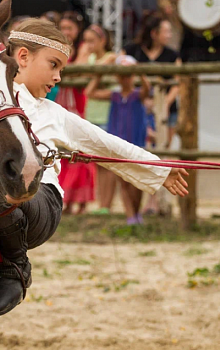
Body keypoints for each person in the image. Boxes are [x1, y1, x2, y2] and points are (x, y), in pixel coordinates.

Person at [0, 18, 189, 349]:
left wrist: (158, 169)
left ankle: (17, 265)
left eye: (60, 67)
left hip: (40, 205)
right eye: (53, 65)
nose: (58, 77)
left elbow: (105, 144)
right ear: (22, 57)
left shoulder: (54, 114)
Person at [86, 55, 152, 224]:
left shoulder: (137, 95)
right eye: (122, 75)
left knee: (137, 181)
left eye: (128, 75)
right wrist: (100, 73)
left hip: (136, 143)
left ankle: (136, 212)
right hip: (118, 144)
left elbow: (147, 88)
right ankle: (130, 215)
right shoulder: (114, 96)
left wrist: (139, 72)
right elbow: (90, 92)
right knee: (123, 181)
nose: (125, 79)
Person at [54, 14, 96, 215]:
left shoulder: (82, 48)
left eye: (69, 28)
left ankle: (79, 201)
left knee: (78, 149)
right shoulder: (57, 49)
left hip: (76, 100)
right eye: (62, 27)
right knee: (61, 151)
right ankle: (65, 199)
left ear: (77, 30)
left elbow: (76, 70)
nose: (66, 32)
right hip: (61, 99)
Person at [124, 13, 181, 149]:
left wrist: (163, 104)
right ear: (154, 33)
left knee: (163, 149)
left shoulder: (173, 56)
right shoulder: (132, 50)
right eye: (166, 31)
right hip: (136, 107)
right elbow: (121, 74)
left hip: (166, 110)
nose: (169, 35)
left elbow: (177, 84)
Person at [80, 24, 117, 215]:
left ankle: (107, 204)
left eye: (92, 41)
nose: (88, 45)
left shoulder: (113, 58)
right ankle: (102, 203)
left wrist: (96, 77)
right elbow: (82, 71)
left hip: (107, 115)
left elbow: (115, 88)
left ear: (103, 40)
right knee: (97, 163)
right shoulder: (95, 59)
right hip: (91, 114)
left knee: (108, 162)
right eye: (85, 41)